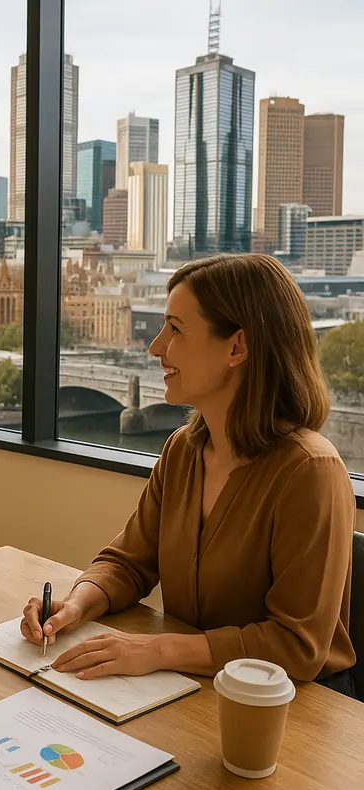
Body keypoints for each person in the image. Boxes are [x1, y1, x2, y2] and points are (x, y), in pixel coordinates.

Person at [21, 253, 357, 697]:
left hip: (292, 712)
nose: (155, 347)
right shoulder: (182, 450)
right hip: (195, 691)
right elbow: (128, 563)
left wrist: (155, 651)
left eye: (175, 329)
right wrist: (77, 604)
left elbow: (297, 647)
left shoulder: (311, 471)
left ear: (237, 347)